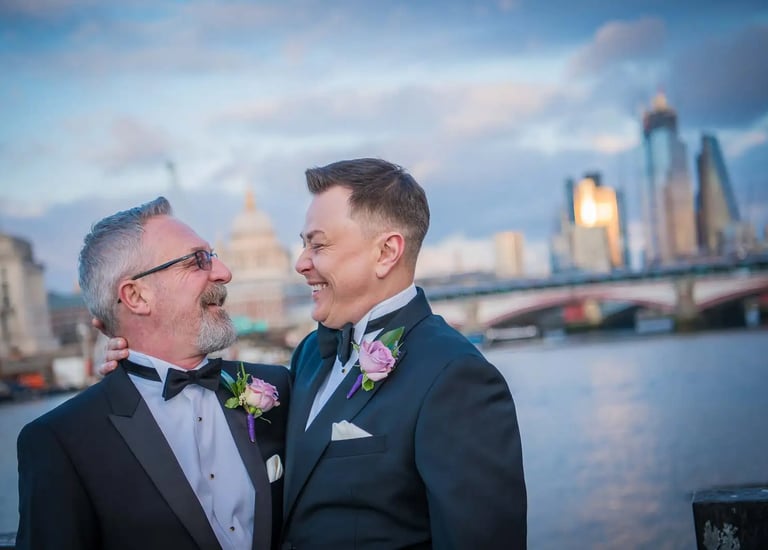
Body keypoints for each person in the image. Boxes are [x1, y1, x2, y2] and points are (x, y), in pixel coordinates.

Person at [100, 159, 527, 549]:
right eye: (303, 245)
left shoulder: (456, 377)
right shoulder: (309, 354)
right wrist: (142, 361)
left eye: (318, 246)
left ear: (387, 252)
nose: (301, 263)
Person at [17, 197, 290, 550]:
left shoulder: (278, 387)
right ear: (136, 296)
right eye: (198, 261)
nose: (225, 273)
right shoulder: (61, 440)